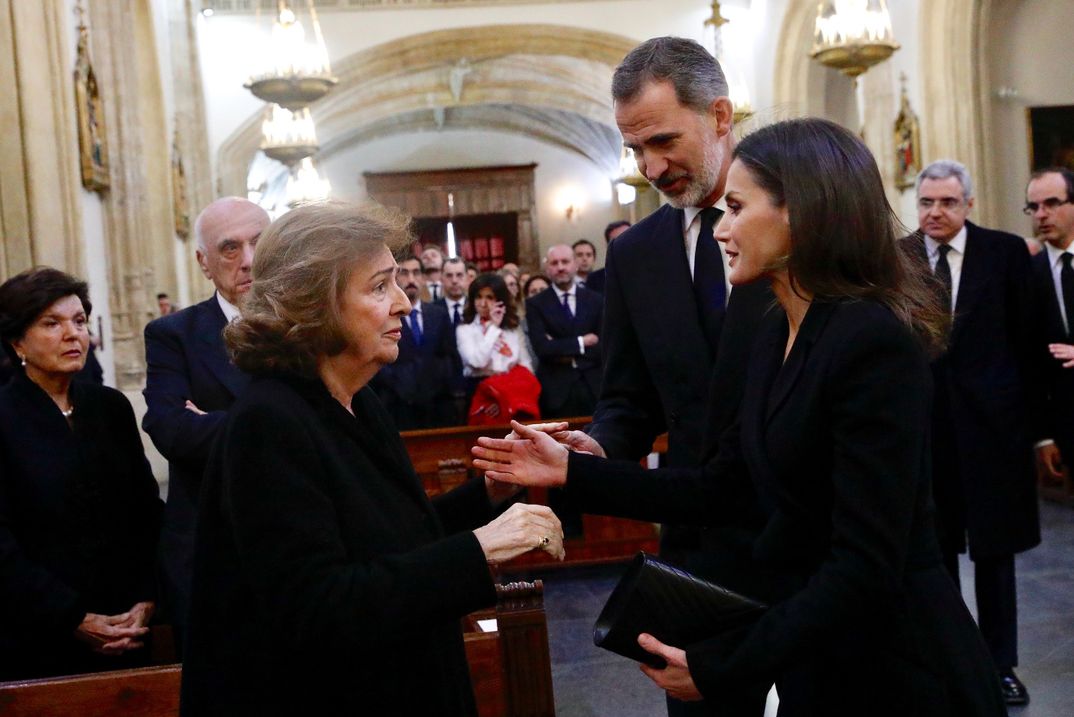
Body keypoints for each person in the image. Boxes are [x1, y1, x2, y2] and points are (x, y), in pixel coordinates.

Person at [473, 118, 1006, 717]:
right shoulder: (774, 326)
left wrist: (722, 664)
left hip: (897, 668)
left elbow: (866, 564)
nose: (721, 230)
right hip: (822, 655)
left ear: (799, 213)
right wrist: (571, 471)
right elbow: (724, 485)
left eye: (737, 208)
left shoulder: (870, 339)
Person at [180, 202, 564, 716]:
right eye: (380, 286)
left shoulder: (359, 401)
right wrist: (482, 547)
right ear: (315, 303)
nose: (405, 303)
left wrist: (492, 491)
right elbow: (320, 608)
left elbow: (395, 543)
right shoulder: (269, 423)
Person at [903, 159, 1042, 705]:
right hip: (925, 435)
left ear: (969, 204)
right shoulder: (900, 256)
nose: (936, 213)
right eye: (927, 202)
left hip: (993, 434)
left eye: (948, 202)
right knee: (932, 556)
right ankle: (946, 661)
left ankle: (1000, 664)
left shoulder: (1004, 253)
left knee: (994, 554)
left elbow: (1028, 342)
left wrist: (1034, 429)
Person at [0, 267, 162, 680]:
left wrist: (147, 598)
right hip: (39, 637)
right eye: (51, 324)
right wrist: (72, 617)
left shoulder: (110, 408)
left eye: (79, 321)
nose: (73, 334)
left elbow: (145, 511)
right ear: (17, 340)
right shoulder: (4, 416)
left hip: (130, 627)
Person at [142, 196, 270, 643]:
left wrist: (216, 421)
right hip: (211, 552)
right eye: (230, 248)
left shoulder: (313, 328)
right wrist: (285, 429)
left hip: (299, 546)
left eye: (260, 242)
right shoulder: (173, 335)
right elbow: (171, 430)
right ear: (204, 262)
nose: (249, 261)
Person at [370, 254, 460, 428]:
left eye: (416, 273)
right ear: (395, 277)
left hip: (437, 407)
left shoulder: (438, 314)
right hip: (398, 407)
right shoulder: (384, 315)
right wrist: (402, 385)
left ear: (424, 278)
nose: (411, 279)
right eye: (404, 273)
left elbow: (450, 358)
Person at [1027, 168, 1074, 488]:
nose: (1041, 215)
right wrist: (1043, 437)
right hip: (1065, 427)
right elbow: (1028, 361)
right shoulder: (1028, 274)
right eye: (1034, 207)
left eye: (1052, 203)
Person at [526, 244, 602, 418]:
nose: (560, 267)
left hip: (594, 388)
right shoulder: (536, 304)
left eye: (565, 261)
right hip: (556, 392)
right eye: (554, 263)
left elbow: (604, 346)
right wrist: (581, 342)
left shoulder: (596, 300)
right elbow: (542, 348)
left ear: (575, 264)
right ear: (547, 268)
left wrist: (560, 348)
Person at [456, 273, 537, 423]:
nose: (483, 303)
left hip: (512, 393)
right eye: (479, 297)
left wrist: (506, 398)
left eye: (490, 297)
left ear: (500, 300)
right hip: (479, 389)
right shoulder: (465, 329)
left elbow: (526, 366)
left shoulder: (512, 328)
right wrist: (493, 327)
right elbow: (477, 362)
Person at [585, 221, 631, 294]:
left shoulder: (649, 273)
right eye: (618, 241)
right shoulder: (594, 279)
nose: (624, 244)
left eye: (627, 238)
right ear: (608, 247)